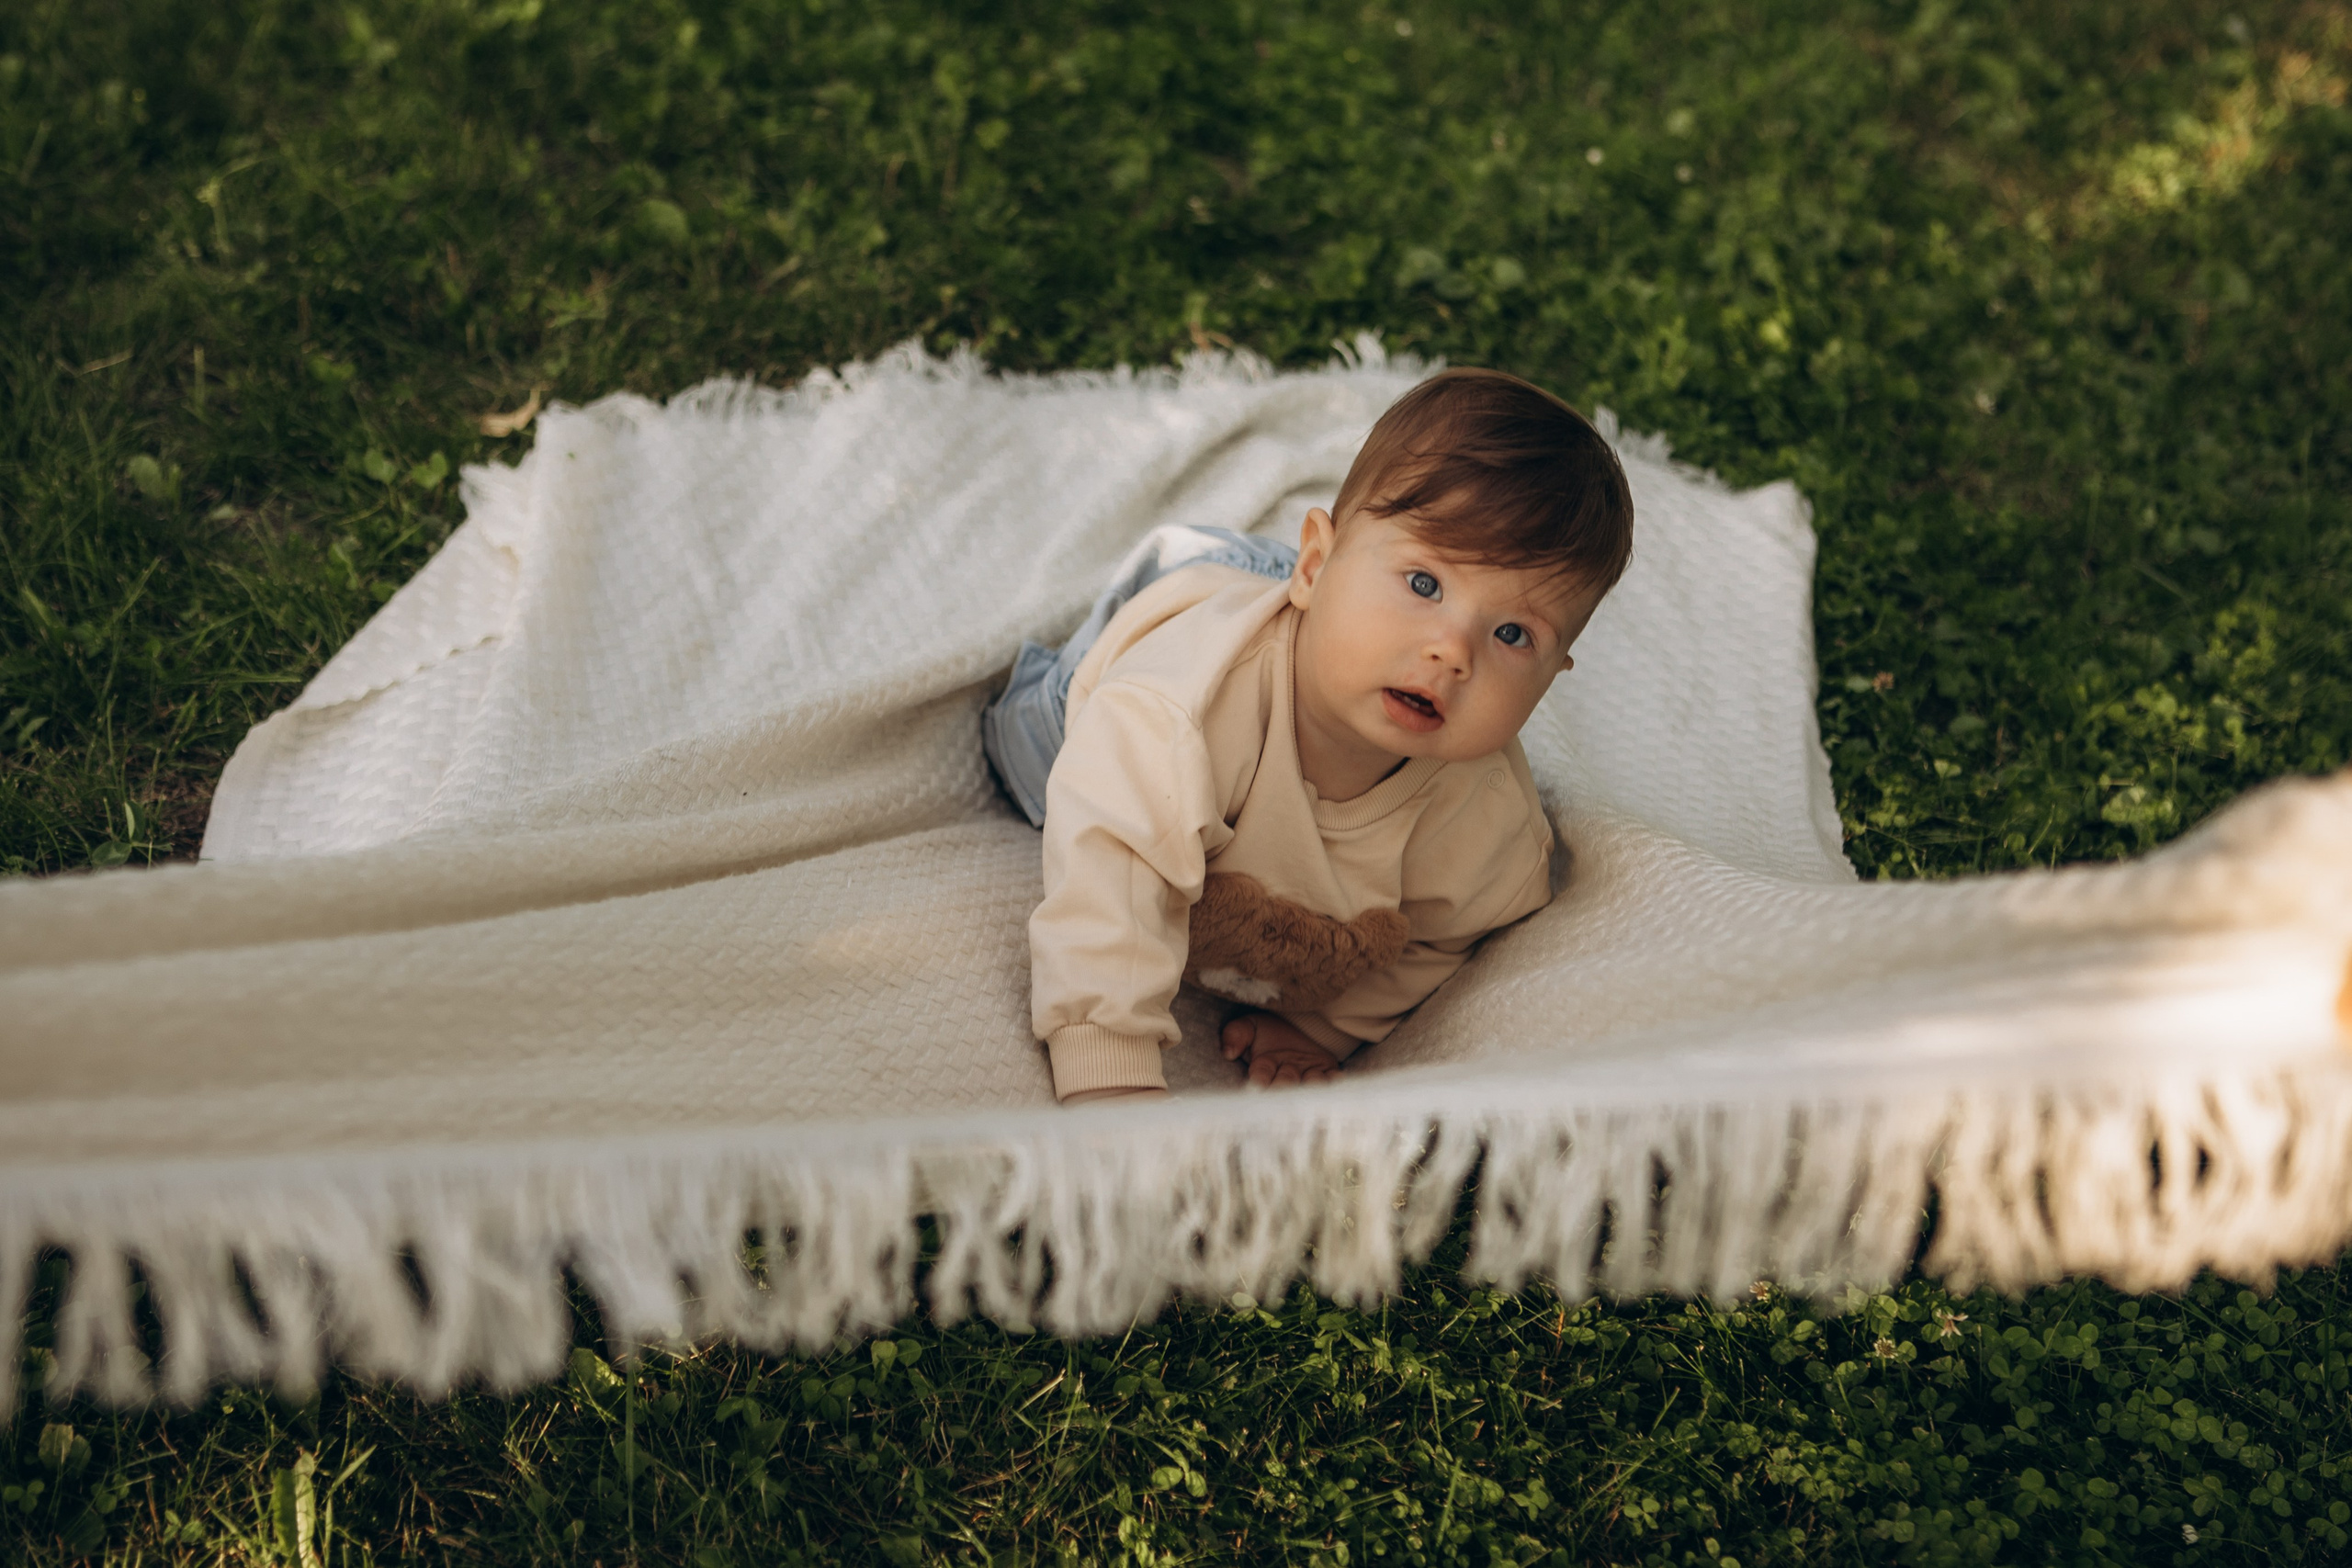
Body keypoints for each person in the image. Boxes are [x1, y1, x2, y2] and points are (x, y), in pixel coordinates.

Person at [983, 368, 1634, 1103]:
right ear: (1316, 565)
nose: (1454, 651)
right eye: (1424, 583)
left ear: (1553, 673)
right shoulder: (1177, 710)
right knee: (1036, 770)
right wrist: (1109, 1071)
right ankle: (1199, 568)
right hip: (1168, 639)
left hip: (1312, 617)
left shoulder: (1489, 829)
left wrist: (1328, 1028)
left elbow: (1442, 939)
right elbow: (1111, 889)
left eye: (1513, 633)